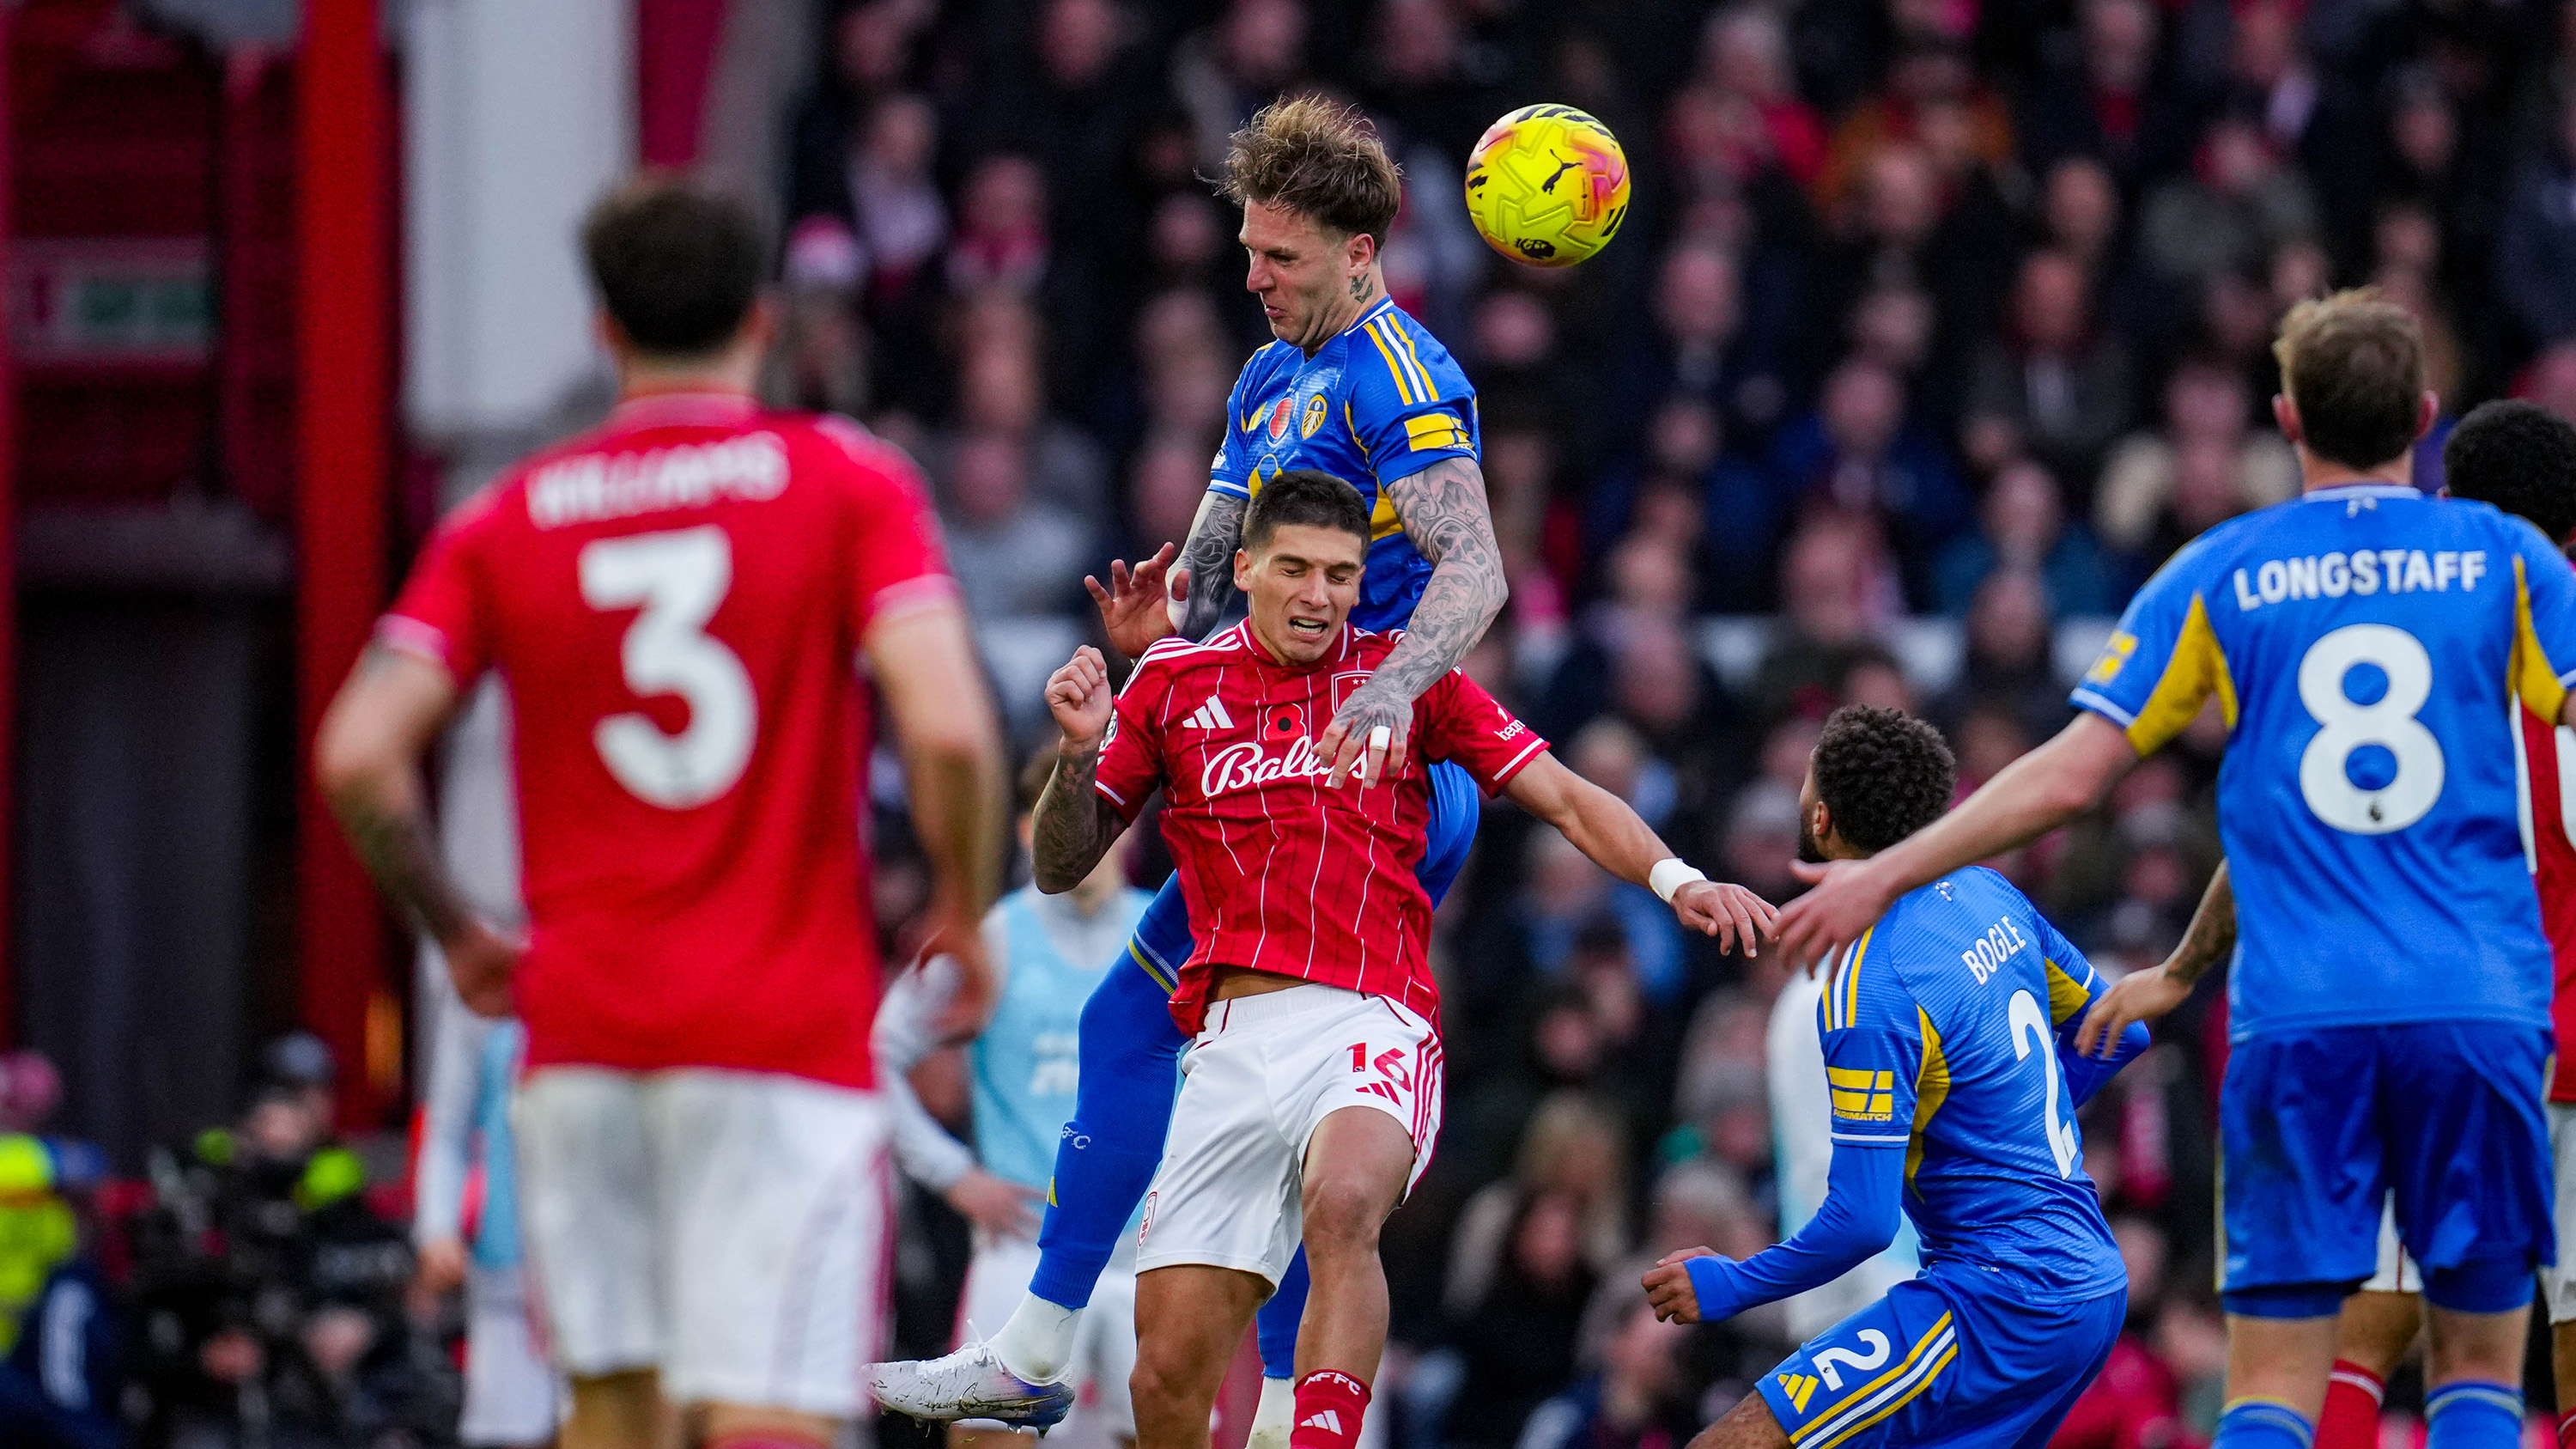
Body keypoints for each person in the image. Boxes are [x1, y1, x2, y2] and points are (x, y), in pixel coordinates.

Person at [1775, 290, 2576, 1449]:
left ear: (2286, 416)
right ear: (2427, 413)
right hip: (2479, 1008)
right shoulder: (2506, 560)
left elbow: (2068, 778)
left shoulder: (2226, 570)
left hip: (2301, 1017)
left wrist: (1886, 869)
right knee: (2476, 1372)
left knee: (2277, 1377)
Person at [314, 174, 1007, 1449]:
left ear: (605, 333)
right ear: (763, 318)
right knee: (766, 1417)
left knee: (612, 1413)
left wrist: (456, 926)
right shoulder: (847, 482)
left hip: (581, 1038)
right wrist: (964, 908)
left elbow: (359, 753)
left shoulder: (504, 517)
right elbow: (952, 724)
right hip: (778, 1036)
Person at [872, 94, 1511, 1439]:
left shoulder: (1402, 374)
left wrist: (1395, 686)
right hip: (1281, 750)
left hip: (1374, 769)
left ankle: (1049, 1349)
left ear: (1361, 249)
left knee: (1169, 1032)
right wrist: (1171, 624)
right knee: (1202, 1051)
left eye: (1279, 257)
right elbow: (1218, 553)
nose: (1253, 277)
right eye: (1248, 249)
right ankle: (1245, 1397)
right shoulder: (1271, 375)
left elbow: (1479, 566)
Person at [1030, 470, 1774, 1449]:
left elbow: (1568, 796)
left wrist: (1680, 880)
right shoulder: (1172, 684)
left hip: (1370, 1017)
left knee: (1343, 1202)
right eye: (1294, 567)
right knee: (1164, 1375)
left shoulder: (1410, 681)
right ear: (1244, 566)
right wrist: (1080, 754)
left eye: (1340, 574)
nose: (1317, 594)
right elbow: (1059, 864)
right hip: (1227, 1041)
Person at [2078, 398, 2576, 1449]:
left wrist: (2180, 966)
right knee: (2518, 1358)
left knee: (2337, 1347)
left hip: (2392, 1014)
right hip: (2531, 1040)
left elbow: (2283, 818)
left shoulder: (2416, 634)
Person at [1641, 705, 2148, 1449]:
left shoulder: (1866, 983)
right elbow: (2119, 1030)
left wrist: (1729, 1285)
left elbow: (1864, 1220)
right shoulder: (1988, 892)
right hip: (2090, 1282)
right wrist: (2005, 1121)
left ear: (1821, 817)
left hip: (1999, 1296)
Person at [873, 748, 1156, 1449]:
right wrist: (953, 1175)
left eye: (1112, 823)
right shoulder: (991, 940)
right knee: (988, 1439)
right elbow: (878, 1052)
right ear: (1033, 833)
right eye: (1079, 824)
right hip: (1021, 1247)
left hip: (1147, 1256)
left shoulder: (1168, 934)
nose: (1098, 844)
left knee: (1163, 1431)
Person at [414, 1012, 559, 1449]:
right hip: (508, 1266)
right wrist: (438, 1227)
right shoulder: (484, 988)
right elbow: (447, 1130)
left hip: (611, 1272)